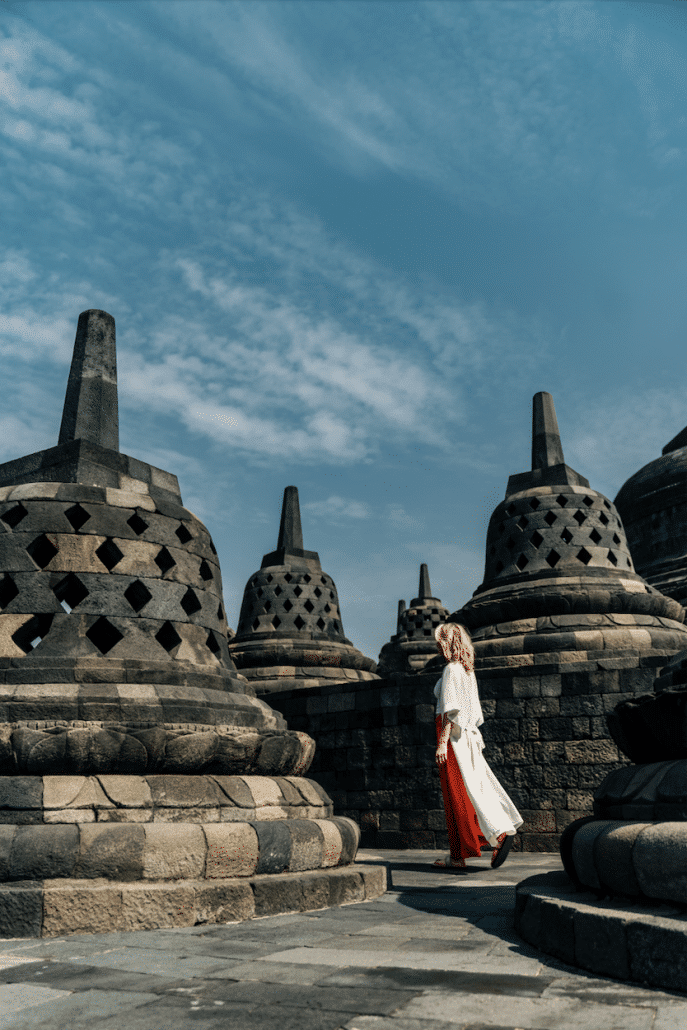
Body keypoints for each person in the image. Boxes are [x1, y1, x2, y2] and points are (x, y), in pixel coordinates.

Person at [433, 622, 523, 870]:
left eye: (439, 642)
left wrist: (441, 743)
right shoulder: (467, 671)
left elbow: (451, 710)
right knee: (475, 789)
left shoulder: (451, 670)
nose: (437, 648)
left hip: (452, 739)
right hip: (469, 738)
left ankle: (496, 833)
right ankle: (461, 853)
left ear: (446, 642)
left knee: (457, 797)